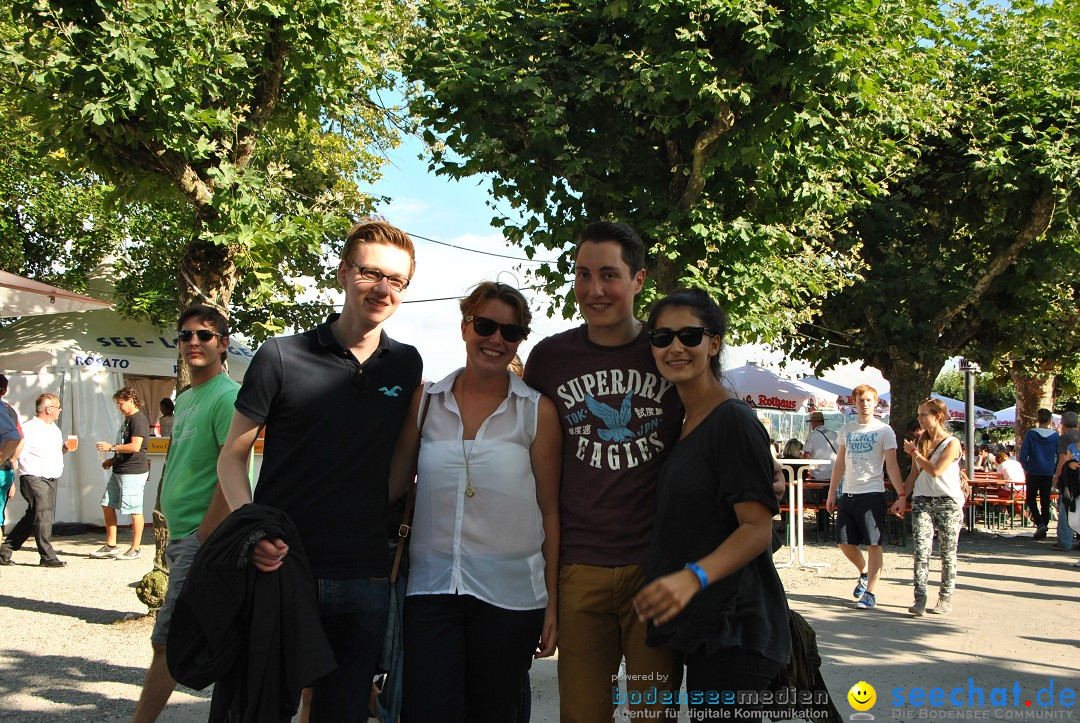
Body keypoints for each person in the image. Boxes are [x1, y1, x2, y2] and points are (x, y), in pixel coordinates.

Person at [217, 218, 422, 722]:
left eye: (397, 280)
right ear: (342, 273)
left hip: (363, 574)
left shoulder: (406, 364)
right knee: (256, 708)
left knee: (344, 711)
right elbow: (232, 456)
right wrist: (253, 529)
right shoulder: (282, 356)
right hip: (282, 567)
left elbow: (402, 457)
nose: (383, 288)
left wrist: (376, 510)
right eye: (371, 273)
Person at [523, 221, 683, 722]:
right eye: (583, 275)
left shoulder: (670, 352)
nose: (594, 290)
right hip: (579, 570)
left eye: (609, 275)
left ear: (638, 280)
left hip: (656, 568)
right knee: (582, 715)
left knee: (652, 715)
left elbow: (712, 421)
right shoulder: (549, 359)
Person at [389, 282, 560, 722]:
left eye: (511, 331)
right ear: (466, 326)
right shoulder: (426, 402)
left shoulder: (535, 411)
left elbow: (550, 511)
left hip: (511, 597)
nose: (496, 339)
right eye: (485, 325)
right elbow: (390, 486)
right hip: (431, 590)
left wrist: (552, 603)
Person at [633, 289, 791, 717]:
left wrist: (692, 578)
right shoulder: (686, 422)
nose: (675, 347)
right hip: (699, 627)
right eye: (662, 337)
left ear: (714, 343)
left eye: (690, 334)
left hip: (735, 628)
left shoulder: (732, 420)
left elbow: (757, 530)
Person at [131, 305, 242, 722]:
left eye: (205, 335)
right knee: (222, 637)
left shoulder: (227, 396)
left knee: (169, 639)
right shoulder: (189, 395)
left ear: (223, 344)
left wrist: (204, 534)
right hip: (182, 536)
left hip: (202, 537)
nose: (194, 341)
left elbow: (233, 471)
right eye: (185, 335)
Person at [826, 384, 902, 610]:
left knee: (873, 543)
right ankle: (864, 572)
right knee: (843, 541)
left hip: (872, 492)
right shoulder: (846, 430)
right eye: (861, 400)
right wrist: (832, 492)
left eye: (869, 400)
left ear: (876, 402)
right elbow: (840, 462)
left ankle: (870, 592)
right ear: (854, 403)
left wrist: (901, 494)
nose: (865, 403)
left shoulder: (884, 431)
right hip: (848, 492)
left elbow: (892, 464)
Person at [891, 398, 963, 616]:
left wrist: (914, 453)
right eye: (919, 414)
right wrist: (902, 496)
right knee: (921, 550)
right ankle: (920, 597)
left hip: (947, 501)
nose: (919, 419)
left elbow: (935, 470)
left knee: (947, 552)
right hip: (923, 499)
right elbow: (915, 473)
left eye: (923, 414)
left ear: (937, 416)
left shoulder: (952, 443)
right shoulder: (921, 440)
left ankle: (945, 597)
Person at [0, 394, 72, 567]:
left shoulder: (54, 429)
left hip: (50, 477)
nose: (60, 410)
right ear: (49, 409)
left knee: (34, 516)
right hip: (34, 477)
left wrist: (64, 449)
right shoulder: (29, 429)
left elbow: (51, 455)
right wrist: (11, 481)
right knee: (43, 515)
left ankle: (4, 551)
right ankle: (47, 556)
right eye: (58, 407)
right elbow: (14, 456)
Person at [92, 387, 150, 560]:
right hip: (120, 469)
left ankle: (136, 548)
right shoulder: (128, 419)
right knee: (107, 503)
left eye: (120, 403)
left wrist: (111, 447)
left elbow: (135, 446)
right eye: (117, 404)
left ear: (131, 400)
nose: (118, 407)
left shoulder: (138, 419)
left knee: (134, 509)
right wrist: (113, 459)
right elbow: (126, 445)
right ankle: (111, 545)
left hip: (133, 472)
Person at [1018, 409, 1058, 540]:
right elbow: (1058, 455)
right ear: (1050, 419)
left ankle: (1040, 523)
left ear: (1037, 418)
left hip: (1033, 471)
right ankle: (1044, 528)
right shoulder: (1055, 436)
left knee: (1031, 499)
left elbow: (1023, 455)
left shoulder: (1031, 434)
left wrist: (1027, 468)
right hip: (1048, 472)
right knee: (1045, 501)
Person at [0, 375, 24, 539]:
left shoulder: (3, 409)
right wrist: (12, 461)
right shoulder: (9, 409)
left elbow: (15, 437)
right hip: (5, 469)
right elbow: (20, 439)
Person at [1052, 412, 1080, 552]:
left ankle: (1065, 541)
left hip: (1070, 479)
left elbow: (1063, 460)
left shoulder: (1065, 439)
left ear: (1063, 423)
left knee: (1066, 507)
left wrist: (1056, 477)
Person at [802, 411, 837, 483]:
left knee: (817, 493)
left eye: (811, 422)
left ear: (815, 422)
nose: (811, 425)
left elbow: (806, 456)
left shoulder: (812, 435)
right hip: (834, 473)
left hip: (818, 475)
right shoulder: (834, 434)